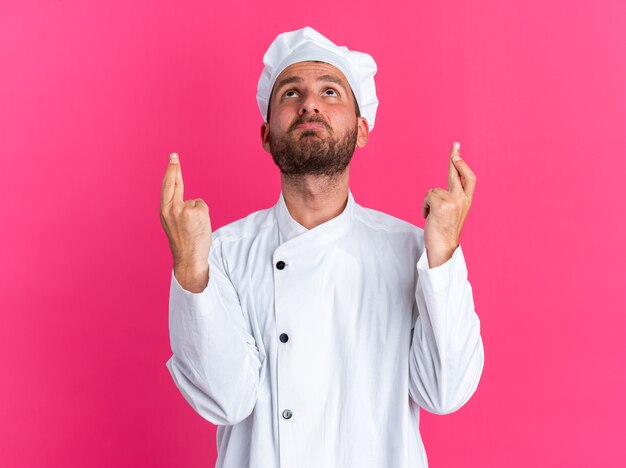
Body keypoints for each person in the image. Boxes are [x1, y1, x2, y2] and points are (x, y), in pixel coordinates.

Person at [160, 26, 484, 468]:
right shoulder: (222, 254)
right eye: (290, 93)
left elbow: (444, 393)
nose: (310, 103)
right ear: (267, 136)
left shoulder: (412, 251)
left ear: (362, 129)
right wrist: (190, 267)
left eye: (330, 92)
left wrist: (444, 251)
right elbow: (225, 402)